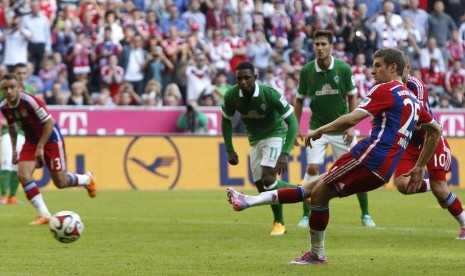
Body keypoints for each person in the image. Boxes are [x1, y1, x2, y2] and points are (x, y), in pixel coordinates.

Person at [227, 48, 442, 264]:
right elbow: (436, 130)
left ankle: (316, 254)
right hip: (382, 168)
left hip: (367, 158)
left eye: (377, 65)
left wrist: (320, 130)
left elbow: (351, 119)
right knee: (312, 188)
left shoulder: (385, 90)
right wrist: (420, 165)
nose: (372, 71)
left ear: (393, 67)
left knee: (318, 194)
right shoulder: (413, 100)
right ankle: (249, 201)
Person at [294, 30, 376, 228]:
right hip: (318, 129)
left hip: (342, 130)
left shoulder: (343, 68)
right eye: (317, 44)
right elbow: (299, 100)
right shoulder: (306, 71)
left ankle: (365, 215)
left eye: (323, 44)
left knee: (358, 170)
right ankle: (306, 215)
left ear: (331, 47)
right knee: (312, 168)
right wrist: (296, 127)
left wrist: (351, 126)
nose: (320, 48)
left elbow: (352, 96)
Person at [222, 61, 309, 236]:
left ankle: (279, 220)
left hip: (275, 134)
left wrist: (285, 152)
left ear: (255, 77)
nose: (243, 82)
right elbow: (226, 120)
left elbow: (292, 121)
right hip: (254, 140)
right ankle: (304, 191)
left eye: (247, 78)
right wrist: (229, 149)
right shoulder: (231, 96)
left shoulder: (269, 94)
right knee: (263, 188)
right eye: (239, 78)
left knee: (269, 178)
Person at [0, 73, 97, 225]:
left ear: (18, 87)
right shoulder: (4, 107)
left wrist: (40, 147)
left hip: (51, 138)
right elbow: (12, 128)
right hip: (31, 140)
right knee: (23, 175)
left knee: (61, 182)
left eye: (12, 87)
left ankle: (86, 179)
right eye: (5, 88)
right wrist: (14, 150)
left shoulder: (30, 101)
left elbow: (49, 123)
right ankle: (45, 215)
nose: (9, 91)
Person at [393, 62, 465, 240]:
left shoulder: (416, 86)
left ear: (407, 69)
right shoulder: (386, 87)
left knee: (440, 189)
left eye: (400, 72)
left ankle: (464, 223)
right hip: (409, 142)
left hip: (430, 138)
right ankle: (433, 185)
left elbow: (418, 122)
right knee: (403, 185)